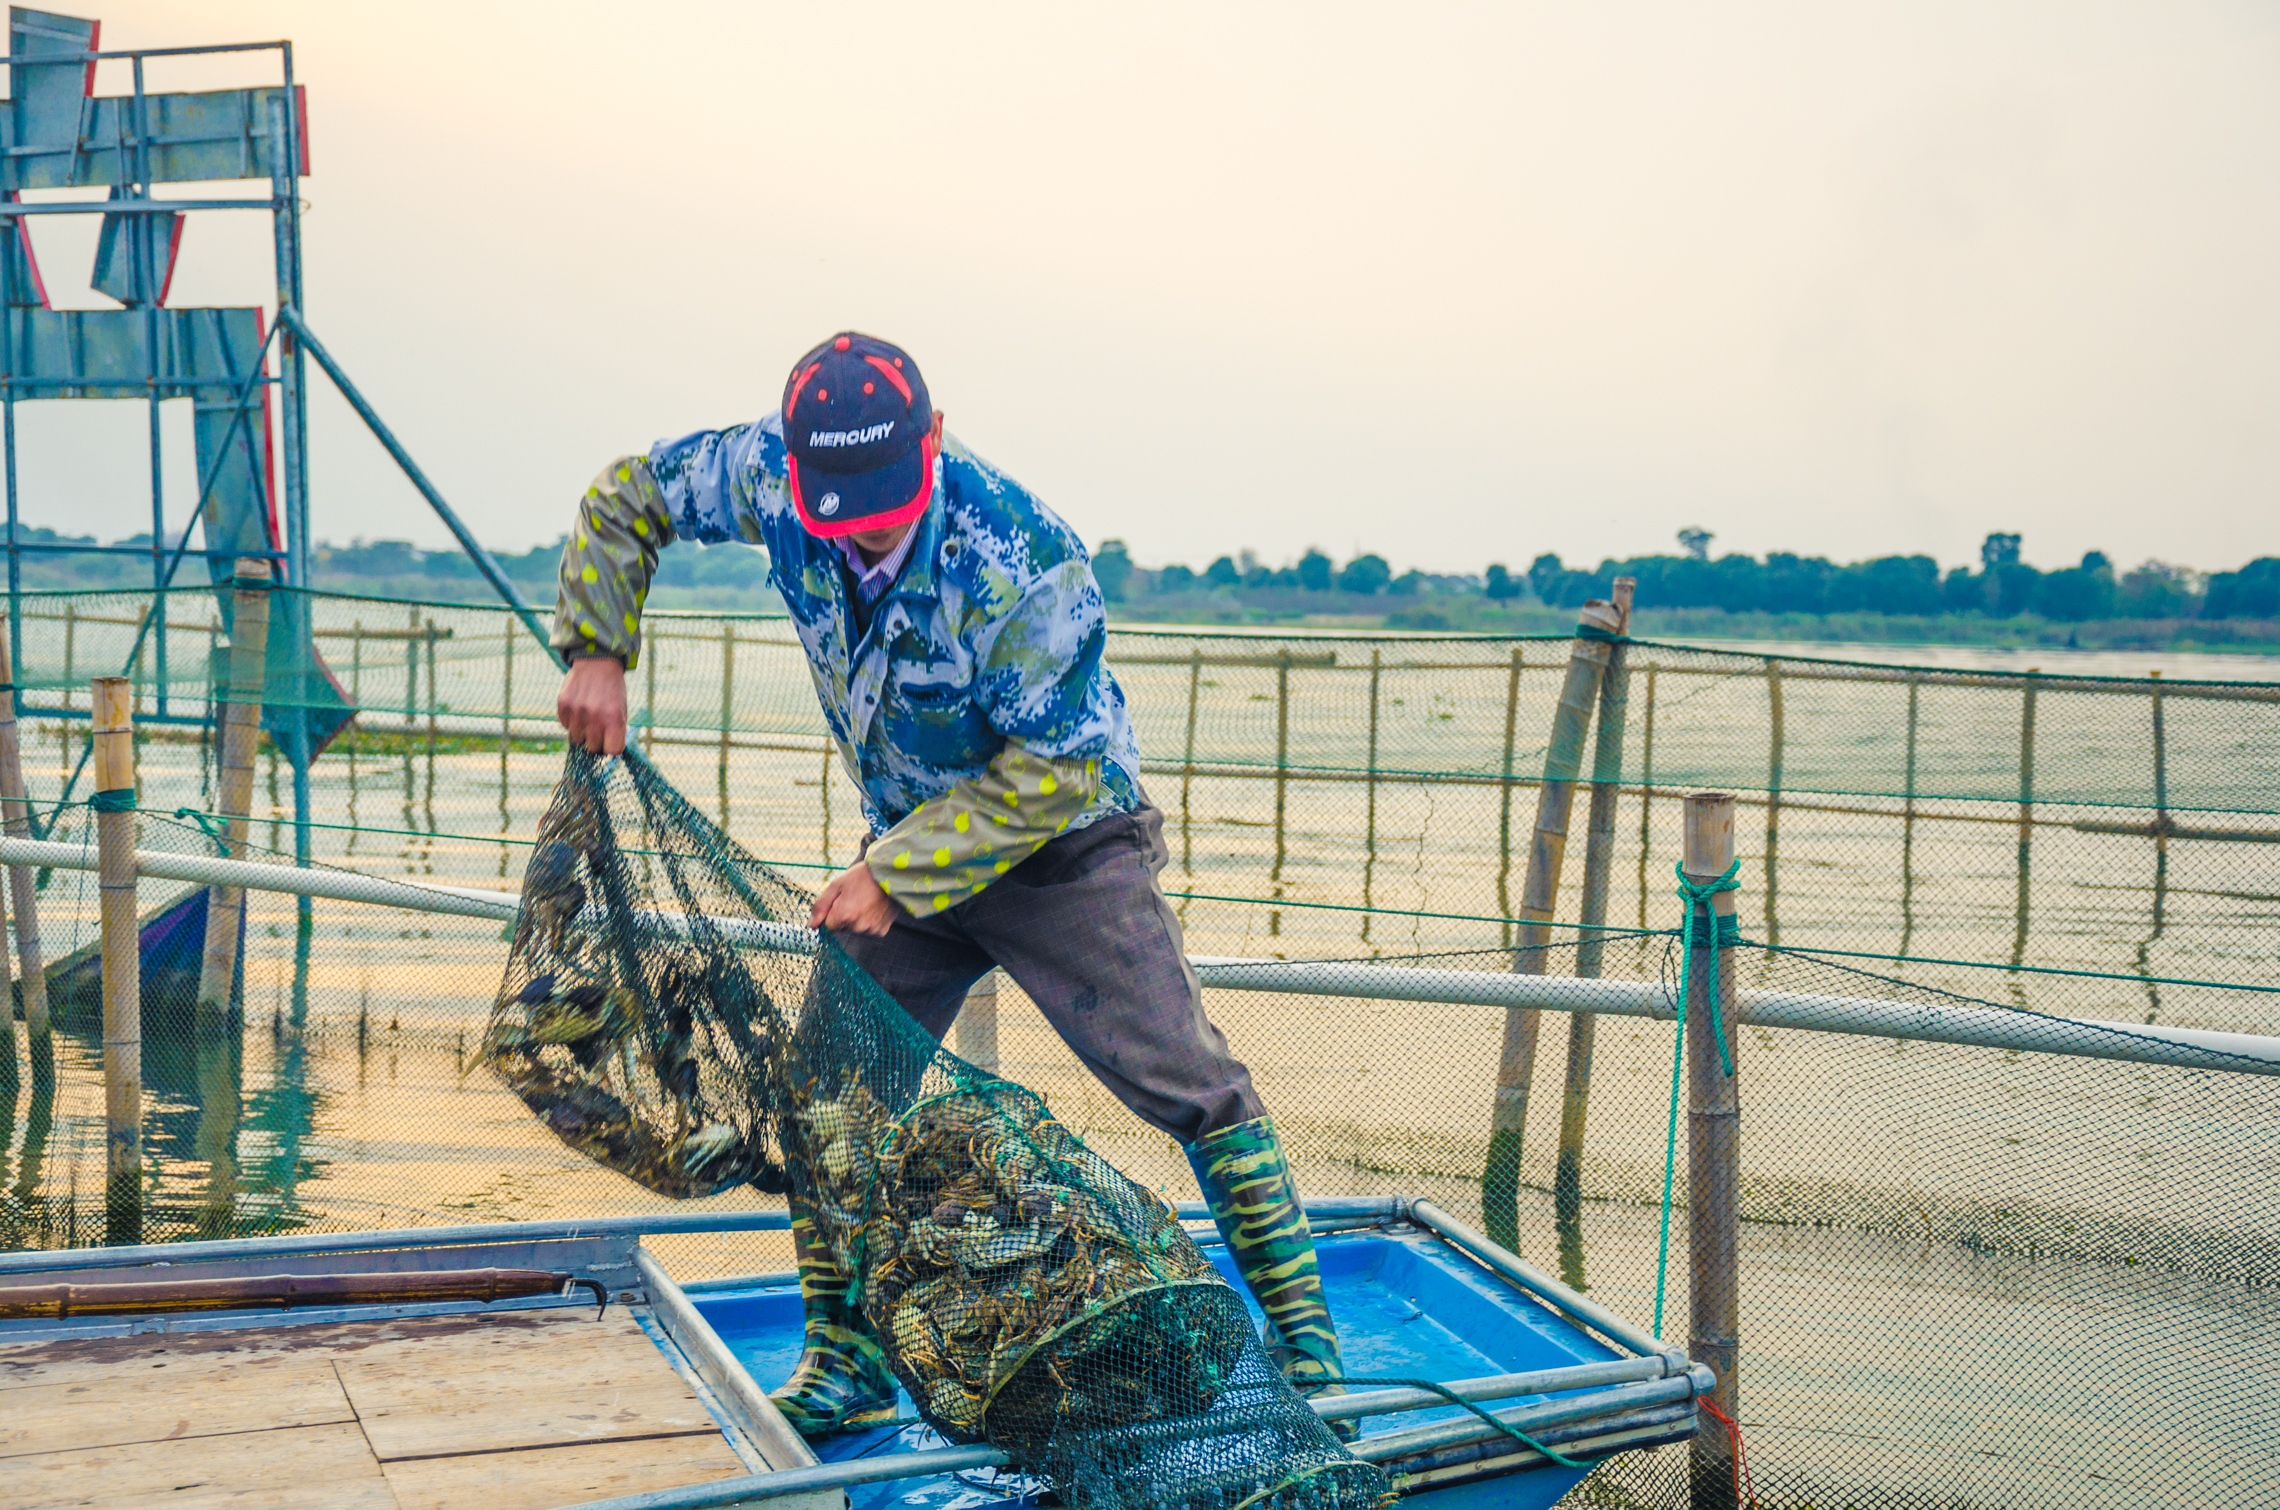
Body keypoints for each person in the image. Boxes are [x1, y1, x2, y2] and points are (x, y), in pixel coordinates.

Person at [551, 332, 1345, 1439]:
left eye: (888, 500)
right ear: (798, 470)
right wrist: (599, 645)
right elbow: (627, 495)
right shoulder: (767, 473)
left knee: (1190, 1083)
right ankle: (846, 1361)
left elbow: (1057, 770)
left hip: (1064, 844)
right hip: (904, 842)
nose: (868, 527)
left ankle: (1311, 1353)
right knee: (826, 1093)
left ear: (932, 436)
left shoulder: (1022, 555)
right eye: (843, 508)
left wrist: (892, 874)